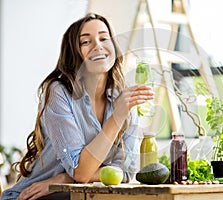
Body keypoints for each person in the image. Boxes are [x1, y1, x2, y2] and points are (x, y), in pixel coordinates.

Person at [1, 13, 154, 200]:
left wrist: (64, 178)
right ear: (74, 52)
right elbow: (81, 173)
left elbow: (124, 172)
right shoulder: (59, 93)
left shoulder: (122, 98)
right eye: (85, 42)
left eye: (104, 38)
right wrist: (117, 117)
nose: (98, 45)